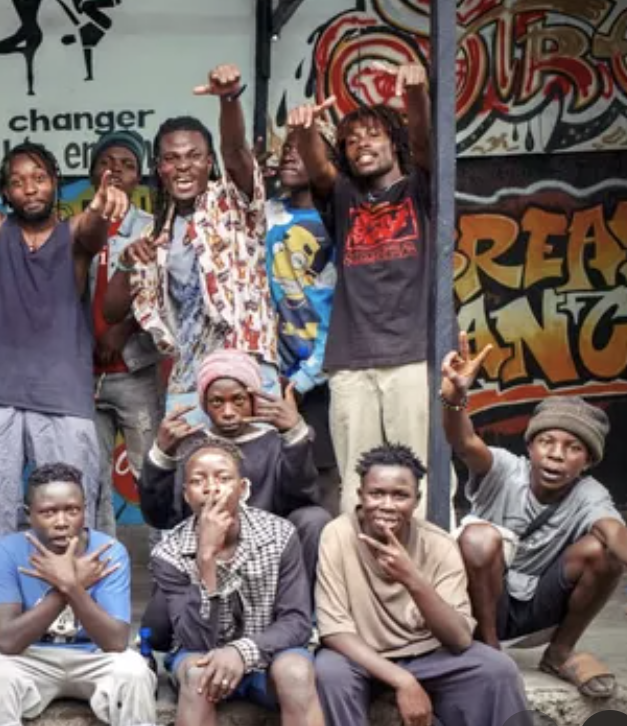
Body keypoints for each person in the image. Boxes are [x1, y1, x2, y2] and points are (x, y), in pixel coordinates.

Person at [440, 335, 627, 698]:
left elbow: (618, 534)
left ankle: (560, 651)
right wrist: (454, 400)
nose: (556, 455)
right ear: (530, 446)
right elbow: (464, 442)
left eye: (573, 447)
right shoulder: (503, 469)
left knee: (603, 552)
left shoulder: (589, 495)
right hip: (476, 603)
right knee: (479, 537)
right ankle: (488, 653)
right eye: (547, 441)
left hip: (536, 607)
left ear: (588, 461)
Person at [0, 142, 129, 534]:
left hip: (61, 390)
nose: (29, 188)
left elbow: (93, 230)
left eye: (39, 179)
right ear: (6, 193)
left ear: (55, 184)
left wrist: (99, 209)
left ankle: (69, 591)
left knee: (68, 502)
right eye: (17, 182)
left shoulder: (75, 231)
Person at [287, 62, 446, 521]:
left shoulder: (421, 190)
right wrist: (303, 132)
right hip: (351, 362)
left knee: (421, 480)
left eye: (372, 135)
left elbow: (425, 144)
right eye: (351, 141)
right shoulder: (344, 198)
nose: (361, 145)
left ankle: (429, 582)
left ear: (393, 141)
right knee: (358, 484)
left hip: (414, 356)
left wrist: (416, 94)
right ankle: (360, 584)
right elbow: (318, 169)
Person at [110, 64, 278, 428]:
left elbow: (235, 149)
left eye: (194, 156)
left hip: (247, 370)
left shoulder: (233, 202)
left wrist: (228, 99)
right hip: (190, 378)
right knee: (194, 480)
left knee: (258, 478)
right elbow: (111, 311)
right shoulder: (154, 236)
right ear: (159, 168)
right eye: (171, 159)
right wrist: (126, 263)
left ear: (209, 162)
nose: (183, 166)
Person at [313, 443, 529, 726]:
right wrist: (404, 681)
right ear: (360, 495)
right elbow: (335, 632)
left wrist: (412, 579)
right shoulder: (337, 535)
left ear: (417, 500)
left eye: (400, 495)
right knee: (329, 671)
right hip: (361, 657)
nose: (387, 505)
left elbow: (460, 638)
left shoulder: (438, 545)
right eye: (377, 493)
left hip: (428, 655)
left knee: (498, 668)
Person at [150, 437, 321, 726]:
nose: (211, 488)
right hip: (202, 657)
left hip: (269, 656)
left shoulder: (278, 535)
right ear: (186, 494)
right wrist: (206, 558)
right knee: (196, 675)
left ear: (242, 489)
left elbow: (296, 622)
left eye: (223, 478)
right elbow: (194, 640)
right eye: (197, 480)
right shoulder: (168, 554)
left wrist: (241, 651)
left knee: (296, 671)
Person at [0, 463, 156, 726]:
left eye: (72, 510)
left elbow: (116, 641)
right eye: (48, 512)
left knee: (134, 671)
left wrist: (72, 587)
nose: (62, 522)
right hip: (33, 656)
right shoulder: (6, 551)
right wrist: (68, 587)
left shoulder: (109, 551)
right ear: (29, 514)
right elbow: (7, 641)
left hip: (94, 656)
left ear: (85, 510)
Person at [138, 350, 330, 577]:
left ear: (252, 399)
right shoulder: (190, 447)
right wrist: (162, 454)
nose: (228, 412)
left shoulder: (274, 443)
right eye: (217, 402)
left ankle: (299, 609)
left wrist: (294, 435)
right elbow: (159, 516)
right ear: (204, 404)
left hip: (269, 552)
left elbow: (301, 498)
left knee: (314, 518)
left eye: (238, 400)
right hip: (206, 554)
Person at [86, 129, 162, 536]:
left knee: (150, 472)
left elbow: (161, 295)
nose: (115, 170)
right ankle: (105, 566)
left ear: (139, 178)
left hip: (134, 370)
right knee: (92, 478)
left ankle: (165, 565)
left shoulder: (151, 229)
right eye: (106, 162)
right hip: (84, 375)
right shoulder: (79, 228)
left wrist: (123, 329)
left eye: (127, 165)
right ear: (92, 172)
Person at [264, 120, 339, 482]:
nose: (291, 153)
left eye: (304, 145)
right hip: (272, 374)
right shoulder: (266, 214)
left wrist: (309, 375)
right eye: (288, 146)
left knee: (322, 473)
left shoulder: (336, 220)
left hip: (324, 374)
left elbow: (344, 308)